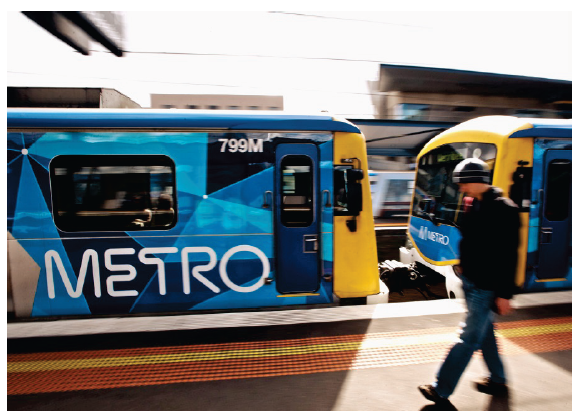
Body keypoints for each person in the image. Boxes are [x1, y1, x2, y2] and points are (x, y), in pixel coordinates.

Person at [418, 158, 520, 405]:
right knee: (484, 335)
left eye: (463, 183)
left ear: (477, 181)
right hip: (471, 281)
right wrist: (462, 264)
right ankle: (498, 379)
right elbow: (468, 240)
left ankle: (440, 389)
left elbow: (510, 255)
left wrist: (505, 294)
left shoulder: (505, 209)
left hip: (486, 286)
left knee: (468, 338)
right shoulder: (473, 204)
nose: (461, 188)